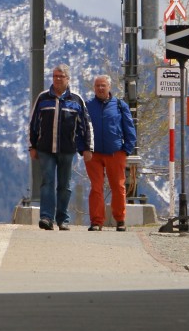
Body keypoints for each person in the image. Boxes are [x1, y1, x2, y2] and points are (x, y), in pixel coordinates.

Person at [27, 64, 91, 231]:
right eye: (55, 76)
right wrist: (32, 146)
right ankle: (46, 217)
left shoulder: (76, 100)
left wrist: (87, 147)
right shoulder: (43, 98)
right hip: (45, 149)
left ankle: (62, 219)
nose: (57, 79)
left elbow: (85, 125)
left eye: (60, 76)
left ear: (67, 79)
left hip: (67, 150)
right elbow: (33, 123)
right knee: (47, 182)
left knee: (64, 185)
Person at [84, 75, 137, 231]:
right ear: (94, 88)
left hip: (116, 153)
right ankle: (96, 222)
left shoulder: (120, 105)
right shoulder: (87, 106)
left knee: (118, 187)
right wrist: (83, 148)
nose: (100, 88)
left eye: (103, 85)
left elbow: (130, 129)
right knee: (96, 188)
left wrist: (126, 150)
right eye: (98, 85)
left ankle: (120, 220)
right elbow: (81, 130)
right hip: (93, 154)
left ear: (109, 87)